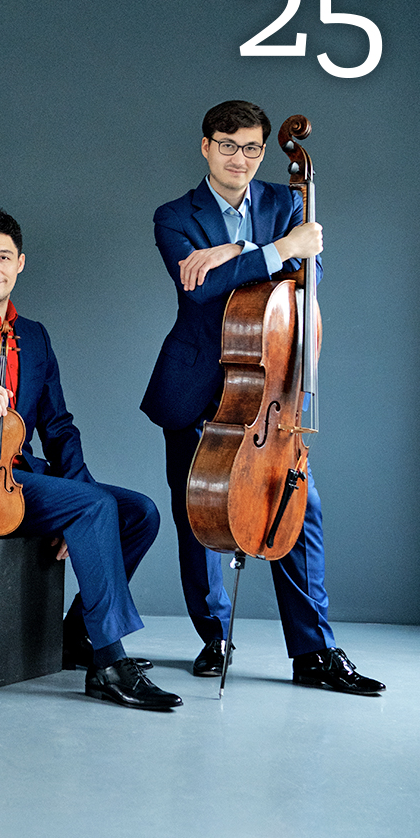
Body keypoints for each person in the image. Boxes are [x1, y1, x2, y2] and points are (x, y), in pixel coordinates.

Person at [0, 208, 181, 710]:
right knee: (91, 508)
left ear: (20, 263)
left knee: (138, 512)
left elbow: (59, 425)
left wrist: (83, 493)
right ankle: (110, 663)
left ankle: (77, 639)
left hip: (18, 480)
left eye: (3, 257)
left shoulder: (36, 336)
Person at [141, 100, 384, 694]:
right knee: (199, 513)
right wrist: (271, 252)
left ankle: (313, 651)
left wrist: (237, 255)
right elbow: (201, 292)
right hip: (197, 384)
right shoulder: (174, 215)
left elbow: (311, 282)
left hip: (268, 388)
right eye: (228, 146)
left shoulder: (287, 202)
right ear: (205, 147)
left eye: (252, 148)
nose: (241, 159)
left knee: (299, 507)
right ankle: (213, 637)